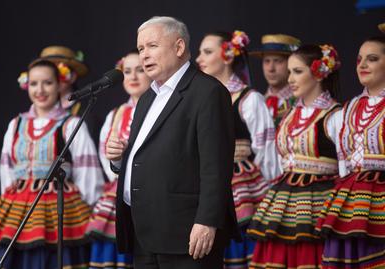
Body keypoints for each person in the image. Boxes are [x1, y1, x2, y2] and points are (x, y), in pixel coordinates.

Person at [107, 16, 239, 269]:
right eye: (140, 49)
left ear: (179, 47)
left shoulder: (208, 92)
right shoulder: (147, 98)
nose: (144, 55)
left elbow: (216, 165)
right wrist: (119, 160)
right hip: (144, 234)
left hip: (186, 234)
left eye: (152, 46)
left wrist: (207, 221)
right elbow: (150, 156)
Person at [0, 59, 104, 269]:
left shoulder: (71, 124)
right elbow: (7, 168)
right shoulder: (16, 124)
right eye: (34, 84)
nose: (40, 90)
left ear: (60, 85)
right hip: (18, 207)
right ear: (26, 86)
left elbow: (88, 172)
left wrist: (86, 207)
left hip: (59, 207)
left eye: (47, 83)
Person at [247, 44, 342, 268]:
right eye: (289, 72)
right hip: (284, 199)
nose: (290, 78)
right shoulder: (291, 113)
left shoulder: (335, 115)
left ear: (319, 73)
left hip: (319, 203)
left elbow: (347, 166)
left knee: (311, 255)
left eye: (297, 72)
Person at [196, 30, 281, 268]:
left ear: (228, 55)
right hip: (205, 184)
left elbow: (266, 152)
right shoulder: (200, 99)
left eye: (207, 52)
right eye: (200, 52)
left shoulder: (249, 99)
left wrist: (273, 197)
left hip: (243, 189)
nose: (199, 58)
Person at [315, 36, 385, 268]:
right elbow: (344, 160)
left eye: (372, 59)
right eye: (359, 60)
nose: (363, 65)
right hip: (353, 198)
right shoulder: (350, 108)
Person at [87, 49, 151, 268]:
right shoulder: (116, 114)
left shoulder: (160, 108)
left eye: (140, 70)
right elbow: (106, 153)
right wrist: (117, 166)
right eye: (127, 71)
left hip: (152, 191)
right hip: (121, 189)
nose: (132, 77)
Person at [249, 34, 301, 126]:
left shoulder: (301, 102)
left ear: (291, 64)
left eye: (278, 61)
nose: (271, 68)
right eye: (267, 61)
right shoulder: (257, 101)